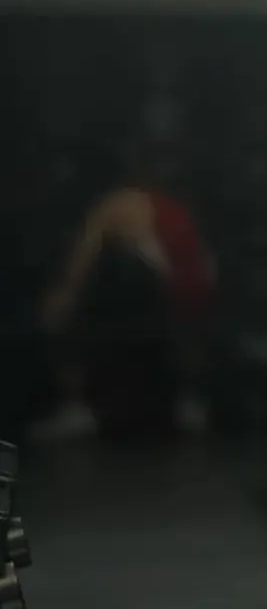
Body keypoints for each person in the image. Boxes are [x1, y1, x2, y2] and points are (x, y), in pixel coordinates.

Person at [36, 140, 216, 444]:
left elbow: (78, 269)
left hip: (171, 307)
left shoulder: (116, 205)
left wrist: (55, 309)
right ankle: (184, 401)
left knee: (55, 312)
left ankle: (77, 406)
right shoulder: (176, 208)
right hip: (193, 307)